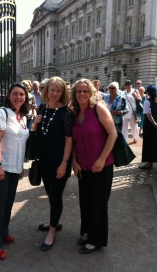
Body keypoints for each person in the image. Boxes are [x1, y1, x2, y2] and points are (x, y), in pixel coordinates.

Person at [71, 78, 117, 254]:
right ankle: (88, 232)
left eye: (85, 91)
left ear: (90, 93)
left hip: (101, 165)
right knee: (86, 201)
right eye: (79, 91)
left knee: (98, 202)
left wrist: (102, 159)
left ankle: (96, 240)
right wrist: (74, 161)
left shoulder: (98, 109)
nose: (82, 94)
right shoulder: (75, 113)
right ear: (75, 94)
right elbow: (74, 141)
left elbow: (112, 134)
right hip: (83, 166)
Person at [0, 83, 29, 260]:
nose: (18, 97)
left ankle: (3, 233)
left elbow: (21, 143)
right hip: (1, 167)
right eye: (15, 94)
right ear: (9, 96)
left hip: (14, 168)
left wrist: (20, 167)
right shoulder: (1, 113)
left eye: (22, 94)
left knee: (7, 204)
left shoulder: (22, 117)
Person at [33, 76, 73, 251]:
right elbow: (37, 133)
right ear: (46, 90)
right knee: (51, 194)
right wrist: (35, 123)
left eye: (59, 90)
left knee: (55, 195)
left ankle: (52, 231)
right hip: (44, 160)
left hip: (59, 161)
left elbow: (69, 140)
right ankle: (54, 222)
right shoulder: (42, 107)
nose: (55, 93)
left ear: (62, 92)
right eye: (52, 90)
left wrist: (64, 163)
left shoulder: (66, 113)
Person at [139, 85, 157, 170]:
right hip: (155, 125)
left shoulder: (147, 101)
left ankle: (149, 163)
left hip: (150, 126)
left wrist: (154, 124)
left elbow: (148, 115)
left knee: (148, 143)